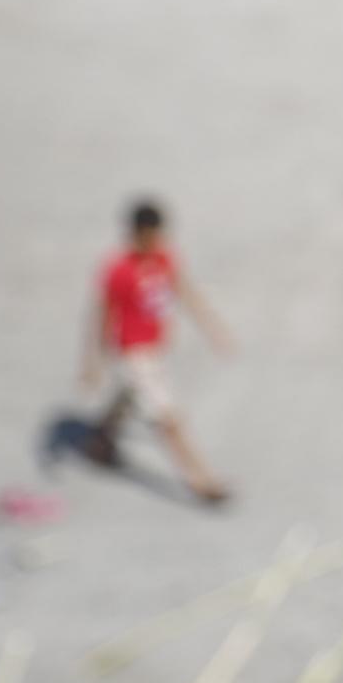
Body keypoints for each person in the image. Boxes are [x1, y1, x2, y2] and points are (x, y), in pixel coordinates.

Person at [81, 198, 236, 504]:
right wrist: (93, 361)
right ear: (136, 233)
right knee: (168, 418)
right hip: (132, 353)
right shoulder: (119, 271)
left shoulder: (163, 259)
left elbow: (185, 293)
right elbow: (102, 315)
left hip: (153, 350)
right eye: (149, 235)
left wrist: (213, 328)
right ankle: (202, 481)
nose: (154, 241)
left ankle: (98, 445)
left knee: (127, 400)